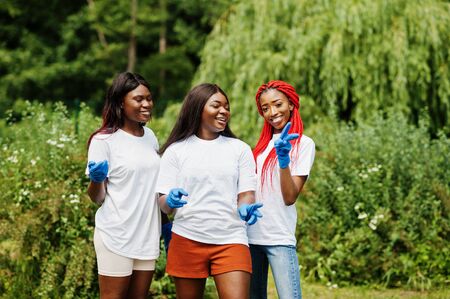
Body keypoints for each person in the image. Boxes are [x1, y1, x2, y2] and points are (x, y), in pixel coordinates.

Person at [156, 83, 263, 299]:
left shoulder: (239, 149)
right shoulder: (176, 151)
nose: (224, 111)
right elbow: (163, 205)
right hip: (187, 238)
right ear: (197, 108)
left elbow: (246, 194)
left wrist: (246, 208)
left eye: (227, 106)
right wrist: (171, 200)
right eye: (217, 105)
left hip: (231, 238)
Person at [86, 72, 161, 299]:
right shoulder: (103, 140)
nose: (147, 104)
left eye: (148, 98)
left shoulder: (150, 136)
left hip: (147, 236)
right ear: (121, 102)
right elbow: (96, 197)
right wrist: (96, 179)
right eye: (139, 99)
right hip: (116, 234)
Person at [247, 80, 316, 299]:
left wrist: (284, 160)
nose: (272, 112)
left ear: (292, 105)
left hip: (279, 236)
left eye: (278, 104)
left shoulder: (303, 144)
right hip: (250, 236)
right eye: (265, 108)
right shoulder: (259, 149)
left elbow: (289, 197)